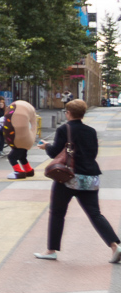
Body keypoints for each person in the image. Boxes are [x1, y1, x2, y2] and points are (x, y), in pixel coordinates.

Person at [34, 100, 120, 262]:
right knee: (95, 213)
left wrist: (46, 146)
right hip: (90, 177)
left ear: (68, 113)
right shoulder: (91, 131)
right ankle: (115, 245)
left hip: (68, 178)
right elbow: (92, 153)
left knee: (57, 213)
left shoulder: (64, 129)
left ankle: (51, 250)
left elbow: (55, 153)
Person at [7, 98, 39, 179]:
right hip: (26, 141)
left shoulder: (21, 119)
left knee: (11, 157)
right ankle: (29, 170)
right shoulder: (26, 119)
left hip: (20, 141)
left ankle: (19, 172)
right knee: (22, 157)